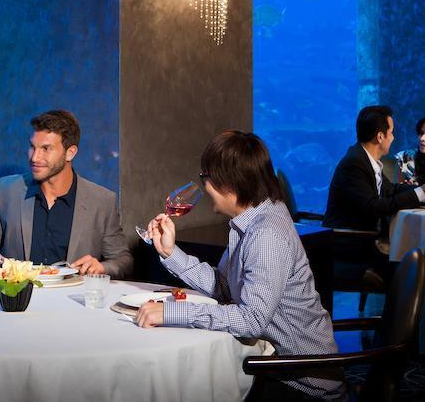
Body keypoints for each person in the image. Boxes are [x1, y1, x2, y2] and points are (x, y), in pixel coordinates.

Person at [136, 130, 345, 401]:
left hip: (301, 381)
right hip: (275, 365)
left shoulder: (266, 234)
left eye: (205, 177)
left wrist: (172, 312)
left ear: (228, 183)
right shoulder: (252, 219)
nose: (204, 186)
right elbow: (225, 286)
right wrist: (170, 252)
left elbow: (252, 320)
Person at [0, 110, 132, 278]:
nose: (35, 157)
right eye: (32, 147)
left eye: (46, 148)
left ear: (70, 153)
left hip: (75, 294)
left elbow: (123, 261)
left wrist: (102, 267)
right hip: (22, 294)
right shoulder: (7, 191)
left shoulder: (101, 201)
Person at [323, 105, 425, 234]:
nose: (393, 138)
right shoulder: (354, 164)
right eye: (391, 132)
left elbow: (390, 190)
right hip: (349, 239)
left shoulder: (365, 159)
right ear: (380, 137)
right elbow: (373, 207)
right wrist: (420, 193)